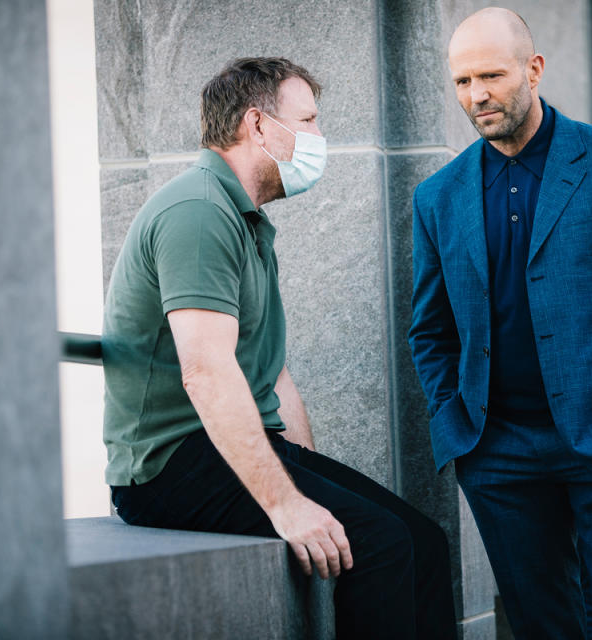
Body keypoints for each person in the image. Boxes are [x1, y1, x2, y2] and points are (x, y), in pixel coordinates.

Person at [102, 57, 455, 640]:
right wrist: (288, 506)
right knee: (381, 544)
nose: (320, 139)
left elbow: (272, 373)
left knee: (423, 538)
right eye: (309, 121)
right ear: (258, 125)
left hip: (227, 448)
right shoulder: (198, 211)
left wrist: (307, 476)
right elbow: (208, 373)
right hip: (169, 467)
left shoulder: (246, 219)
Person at [407, 8, 592, 639]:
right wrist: (455, 419)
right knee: (542, 627)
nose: (477, 95)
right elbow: (430, 329)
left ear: (534, 69)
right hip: (498, 453)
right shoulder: (437, 196)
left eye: (490, 75)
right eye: (462, 81)